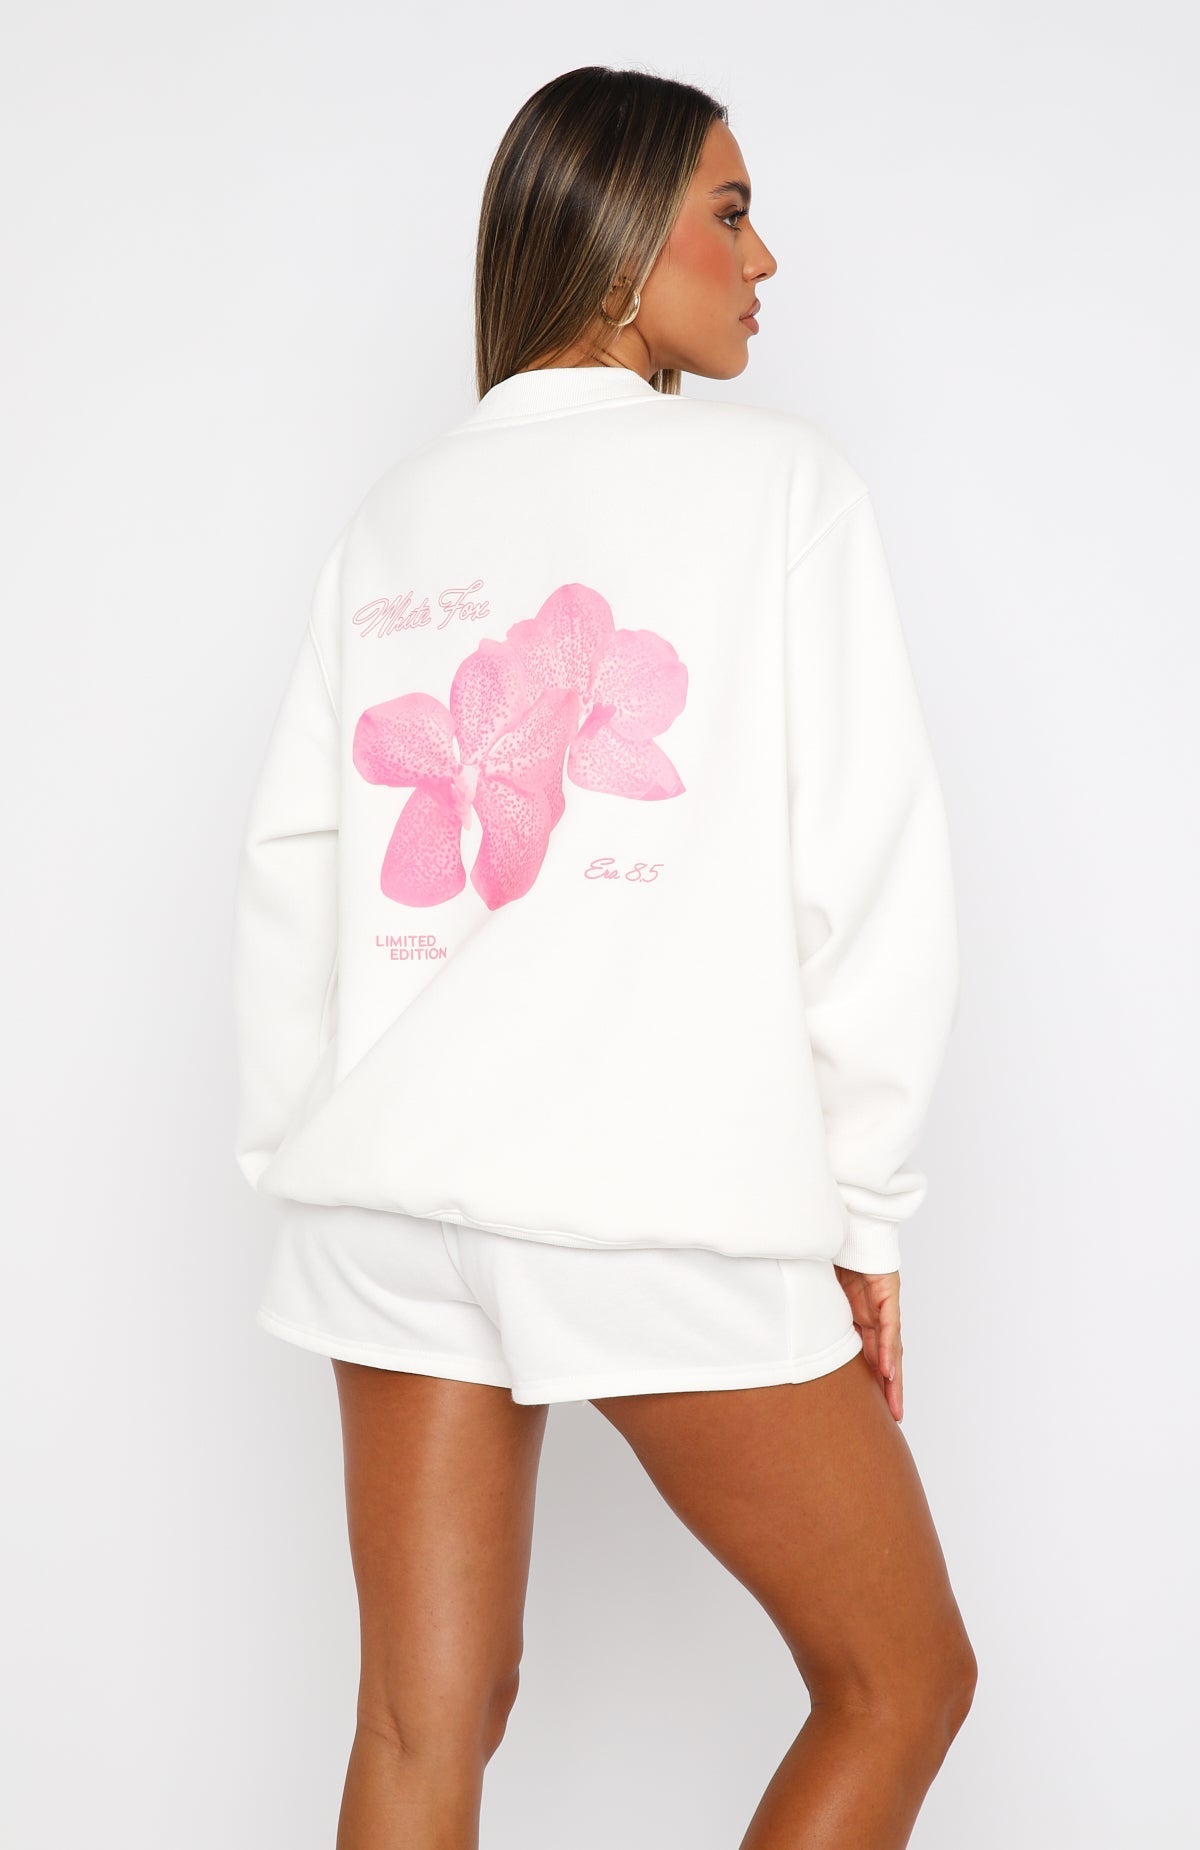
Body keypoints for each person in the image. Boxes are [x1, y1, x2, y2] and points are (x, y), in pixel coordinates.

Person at [231, 62, 976, 1850]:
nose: (764, 257)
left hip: (386, 1198)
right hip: (652, 1198)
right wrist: (864, 1208)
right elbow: (864, 872)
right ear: (629, 240)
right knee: (900, 1678)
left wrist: (308, 1158)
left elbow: (293, 877)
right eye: (731, 212)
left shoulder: (400, 511)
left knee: (421, 1726)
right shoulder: (782, 489)